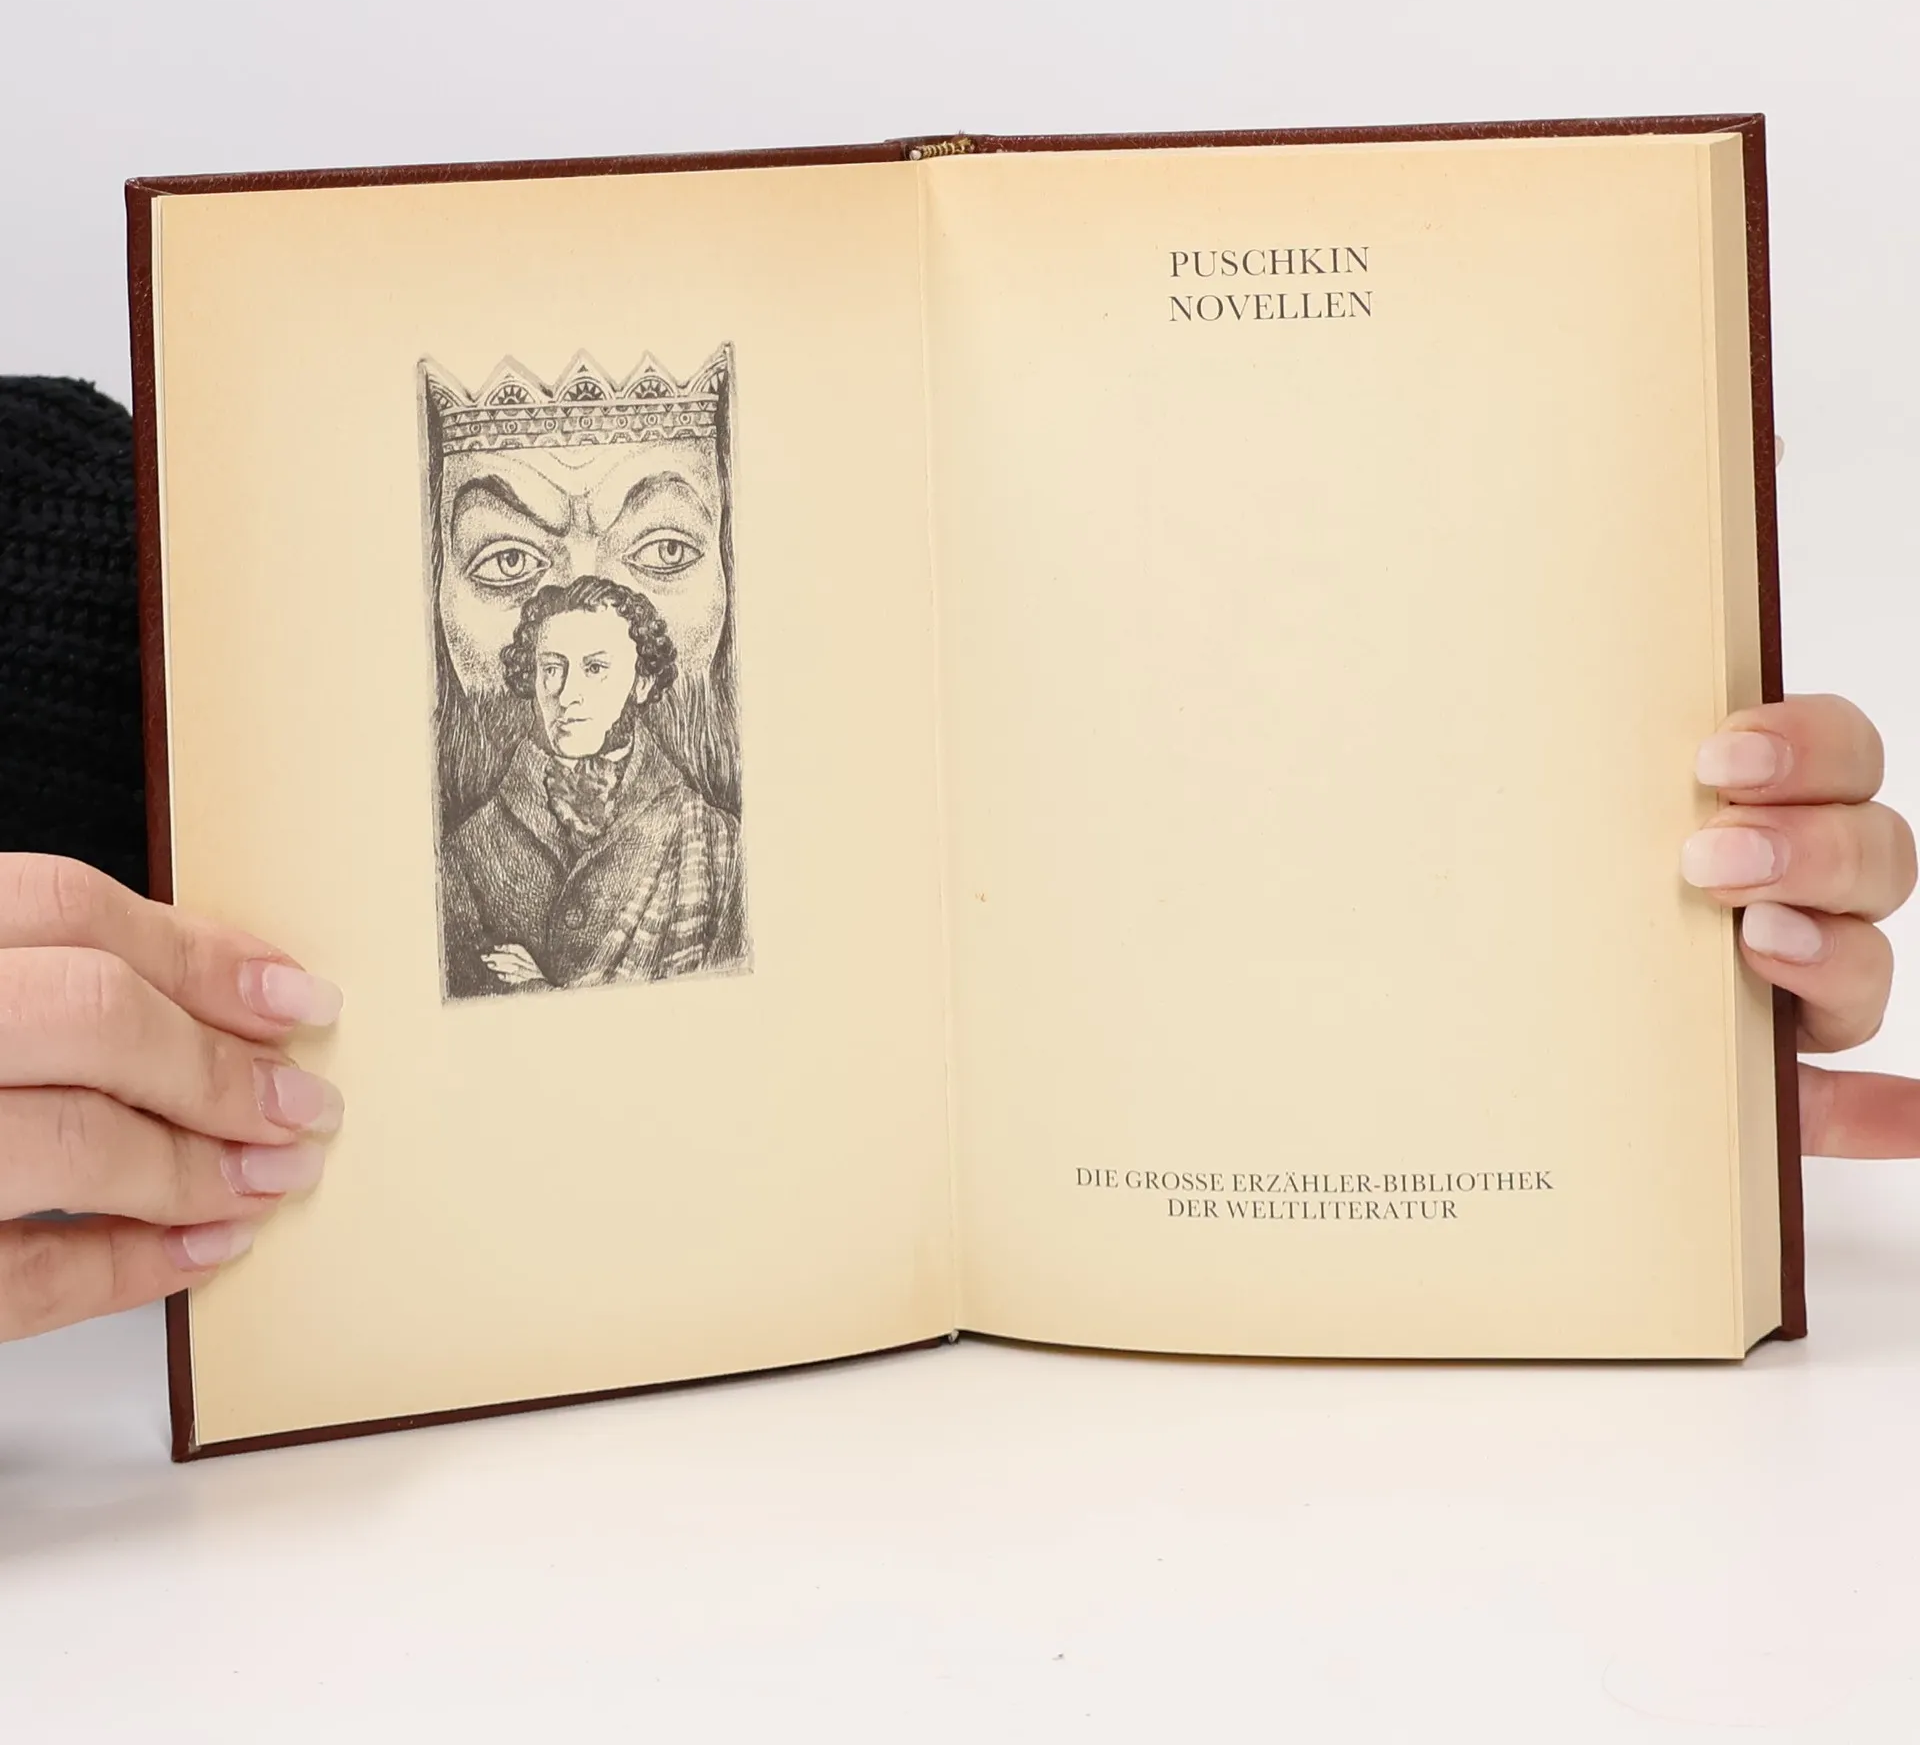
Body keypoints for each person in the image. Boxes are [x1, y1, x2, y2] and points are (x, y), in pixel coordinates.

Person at [0, 380, 1915, 1340]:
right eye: (514, 596)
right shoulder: (508, 812)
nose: (565, 678)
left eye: (627, 606)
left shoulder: (708, 825)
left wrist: (1557, 849)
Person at [438, 575, 748, 995]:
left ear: (641, 682)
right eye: (552, 669)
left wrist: (538, 987)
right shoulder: (468, 848)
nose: (567, 695)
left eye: (595, 668)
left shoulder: (717, 842)